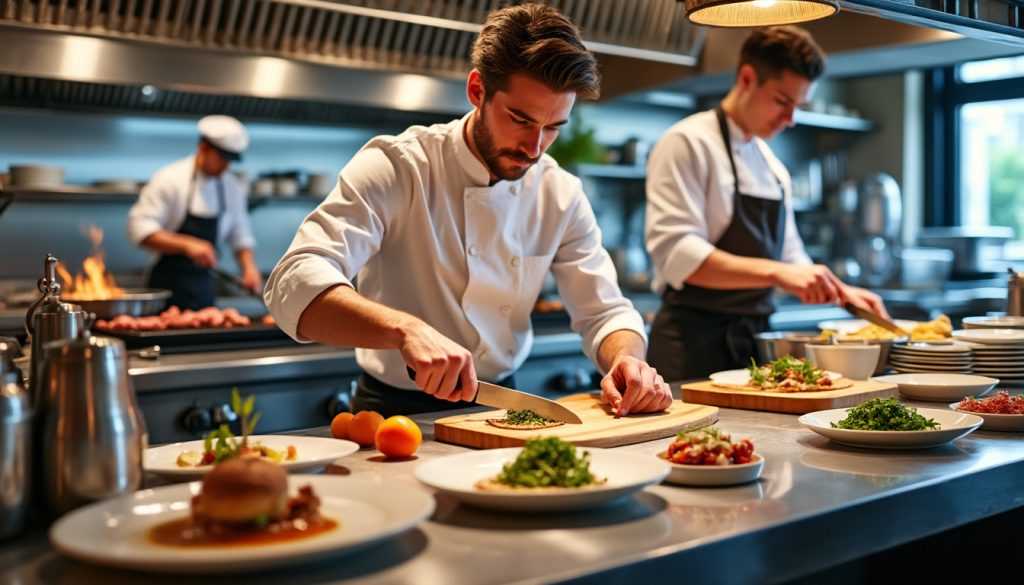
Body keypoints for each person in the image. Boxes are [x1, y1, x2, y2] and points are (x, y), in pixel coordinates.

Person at [265, 3, 672, 418]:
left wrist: (627, 359)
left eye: (552, 127)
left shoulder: (559, 192)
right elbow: (294, 281)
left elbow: (604, 309)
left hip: (502, 406)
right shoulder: (399, 166)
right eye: (520, 119)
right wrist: (405, 330)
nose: (534, 148)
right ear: (478, 90)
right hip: (395, 412)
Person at [644, 26, 889, 381]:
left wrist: (841, 292)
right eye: (782, 101)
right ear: (747, 78)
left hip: (754, 346)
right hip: (690, 344)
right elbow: (679, 256)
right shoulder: (687, 142)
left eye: (798, 106)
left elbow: (791, 258)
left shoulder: (774, 169)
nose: (790, 119)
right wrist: (777, 273)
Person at [127, 115, 262, 310]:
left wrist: (249, 268)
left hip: (204, 292)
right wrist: (187, 244)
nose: (226, 166)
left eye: (231, 160)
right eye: (222, 158)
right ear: (203, 148)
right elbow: (139, 230)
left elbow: (240, 235)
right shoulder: (169, 179)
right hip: (166, 291)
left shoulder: (232, 187)